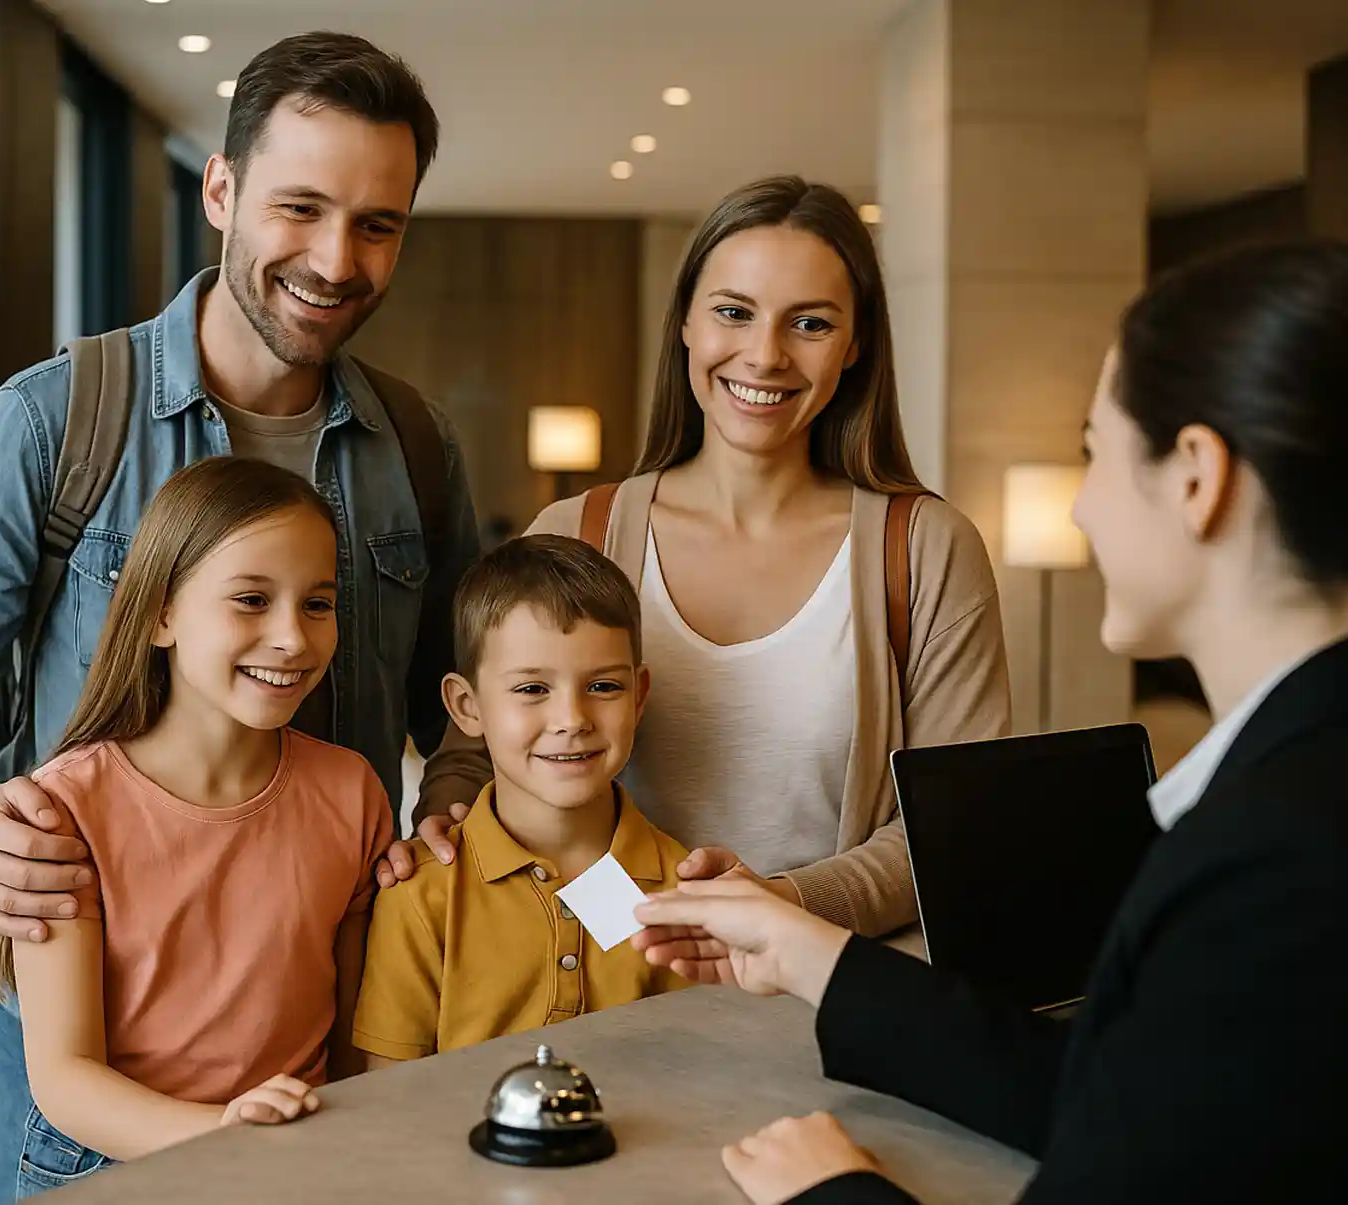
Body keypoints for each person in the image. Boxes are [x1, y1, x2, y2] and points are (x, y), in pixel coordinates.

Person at [0, 32, 489, 1204]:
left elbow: (465, 704)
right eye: (299, 207)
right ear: (223, 189)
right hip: (99, 1069)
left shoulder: (421, 451)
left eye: (377, 224)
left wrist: (442, 806)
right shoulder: (53, 422)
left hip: (321, 1045)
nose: (335, 258)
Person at [632, 241, 1348, 1204]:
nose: (1082, 506)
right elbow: (1130, 1097)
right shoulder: (1298, 787)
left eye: (1093, 451)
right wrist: (818, 955)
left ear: (1194, 477)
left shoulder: (1272, 864)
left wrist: (837, 1194)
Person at [398, 177, 1010, 938]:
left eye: (810, 323)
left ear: (855, 345)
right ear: (685, 321)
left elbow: (955, 825)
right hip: (598, 981)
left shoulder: (923, 551)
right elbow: (479, 746)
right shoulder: (577, 530)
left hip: (827, 999)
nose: (764, 355)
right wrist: (438, 820)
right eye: (732, 312)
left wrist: (782, 906)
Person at [0, 457, 393, 1197]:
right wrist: (222, 1133)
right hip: (108, 1165)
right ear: (161, 613)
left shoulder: (353, 790)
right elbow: (64, 1078)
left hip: (292, 1155)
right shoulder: (64, 810)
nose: (292, 638)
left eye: (317, 603)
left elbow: (350, 1034)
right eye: (250, 599)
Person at [352, 536, 692, 1063]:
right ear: (467, 706)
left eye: (603, 687)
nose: (572, 719)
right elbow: (384, 1104)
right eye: (533, 689)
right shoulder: (420, 898)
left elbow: (699, 1088)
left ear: (639, 696)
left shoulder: (683, 893)